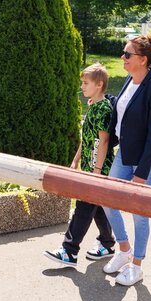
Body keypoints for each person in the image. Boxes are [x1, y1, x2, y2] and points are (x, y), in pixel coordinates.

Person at [102, 33, 151, 286]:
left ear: (142, 60)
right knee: (107, 199)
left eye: (127, 54)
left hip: (148, 159)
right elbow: (120, 114)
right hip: (126, 152)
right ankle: (124, 250)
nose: (123, 57)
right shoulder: (130, 80)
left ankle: (137, 265)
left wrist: (141, 174)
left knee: (139, 211)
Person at [44, 63, 117, 266]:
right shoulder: (93, 106)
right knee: (98, 206)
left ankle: (69, 250)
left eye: (86, 83)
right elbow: (87, 138)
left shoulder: (103, 109)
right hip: (89, 167)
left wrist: (96, 171)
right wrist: (76, 160)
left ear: (99, 84)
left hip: (98, 168)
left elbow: (103, 140)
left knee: (84, 207)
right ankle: (107, 243)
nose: (82, 87)